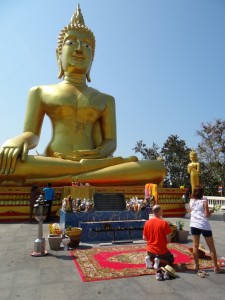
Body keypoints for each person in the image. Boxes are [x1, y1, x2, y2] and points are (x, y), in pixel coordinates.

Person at [0, 5, 166, 187]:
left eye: (86, 45)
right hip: (55, 161)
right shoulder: (40, 92)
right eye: (71, 42)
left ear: (92, 59)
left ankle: (70, 179)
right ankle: (84, 177)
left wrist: (100, 153)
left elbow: (111, 141)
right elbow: (32, 134)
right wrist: (17, 141)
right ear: (58, 55)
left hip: (96, 162)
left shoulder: (106, 99)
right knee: (6, 162)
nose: (79, 49)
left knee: (157, 168)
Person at [189, 186, 224, 277]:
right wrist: (212, 211)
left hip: (194, 224)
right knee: (211, 247)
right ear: (202, 193)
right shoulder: (204, 201)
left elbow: (191, 211)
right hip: (204, 224)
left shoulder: (191, 201)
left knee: (195, 246)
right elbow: (207, 214)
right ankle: (216, 267)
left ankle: (197, 266)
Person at [143, 205, 174, 281]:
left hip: (150, 251)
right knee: (171, 259)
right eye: (161, 210)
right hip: (161, 250)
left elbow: (144, 238)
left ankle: (151, 259)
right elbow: (168, 240)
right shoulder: (164, 223)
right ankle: (158, 260)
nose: (162, 211)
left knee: (153, 254)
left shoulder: (147, 223)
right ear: (159, 212)